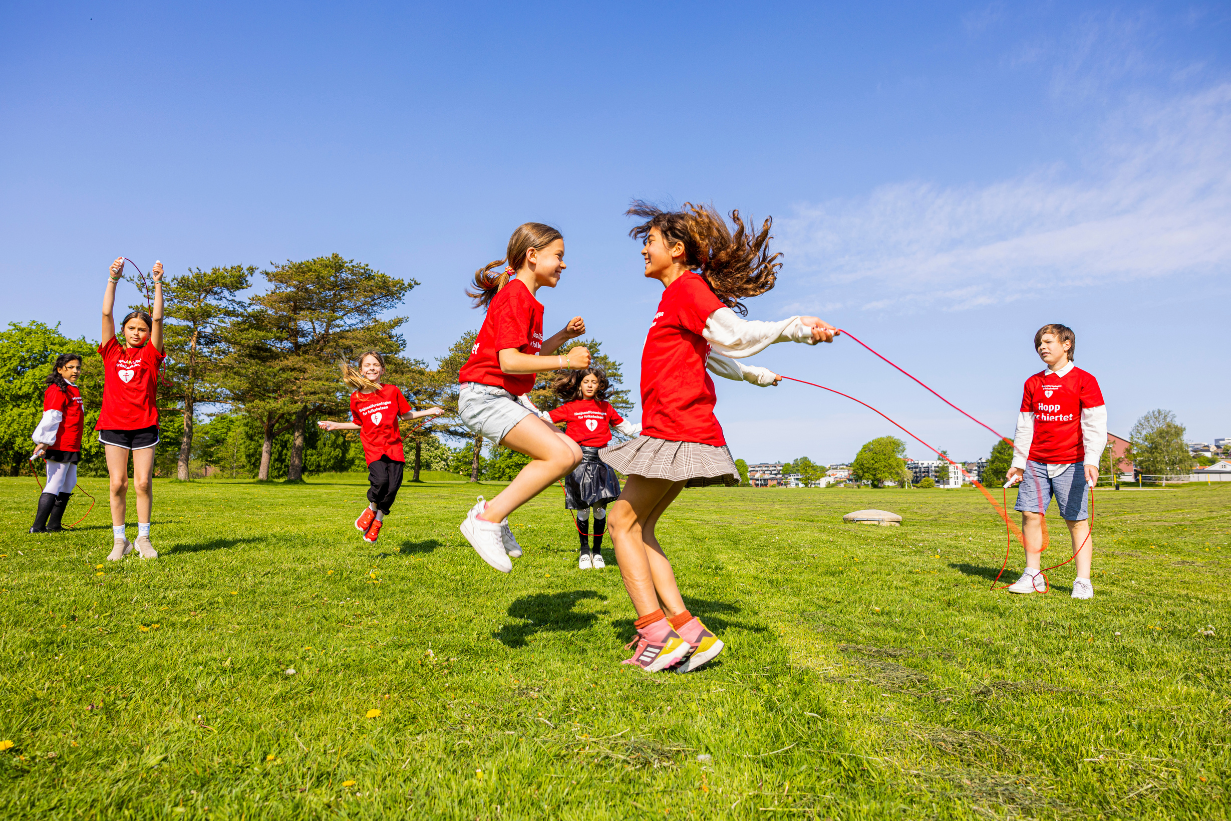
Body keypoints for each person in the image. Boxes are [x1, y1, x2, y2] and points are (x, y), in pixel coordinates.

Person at [600, 202, 838, 672]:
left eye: (650, 241)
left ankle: (656, 635)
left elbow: (735, 333)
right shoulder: (677, 297)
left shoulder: (687, 288)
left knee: (619, 522)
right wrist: (757, 376)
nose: (644, 250)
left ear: (676, 249)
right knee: (640, 528)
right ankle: (690, 632)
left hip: (675, 427)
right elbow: (711, 353)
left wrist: (794, 328)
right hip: (679, 427)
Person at [456, 222, 592, 573]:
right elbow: (510, 362)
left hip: (504, 396)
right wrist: (566, 361)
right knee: (558, 456)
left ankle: (494, 515)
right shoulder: (516, 295)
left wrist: (562, 336)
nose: (564, 264)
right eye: (558, 256)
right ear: (533, 255)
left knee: (573, 453)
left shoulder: (527, 299)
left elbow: (527, 353)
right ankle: (487, 519)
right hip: (484, 396)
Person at [1004, 324, 1106, 599]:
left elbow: (1095, 424)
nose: (1042, 347)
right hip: (1036, 462)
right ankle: (1032, 574)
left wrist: (1092, 460)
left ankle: (1083, 581)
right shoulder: (1032, 383)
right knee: (1030, 515)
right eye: (1039, 343)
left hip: (1072, 462)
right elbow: (1024, 425)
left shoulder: (1085, 380)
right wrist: (1019, 462)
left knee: (1076, 520)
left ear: (1067, 344)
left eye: (1048, 342)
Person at [317, 352, 444, 543]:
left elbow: (405, 415)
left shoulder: (392, 391)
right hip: (373, 448)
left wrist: (430, 411)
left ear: (382, 370)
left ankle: (378, 521)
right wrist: (335, 425)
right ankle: (371, 509)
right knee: (381, 481)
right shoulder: (356, 398)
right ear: (361, 370)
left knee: (393, 487)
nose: (372, 368)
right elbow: (359, 423)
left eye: (376, 365)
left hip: (394, 447)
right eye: (367, 365)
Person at [97, 257, 165, 561]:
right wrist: (113, 278)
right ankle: (120, 541)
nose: (137, 332)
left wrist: (158, 283)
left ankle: (143, 539)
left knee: (142, 483)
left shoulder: (151, 354)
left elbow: (158, 319)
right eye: (131, 328)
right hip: (113, 424)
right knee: (117, 484)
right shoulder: (111, 351)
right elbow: (106, 312)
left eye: (142, 329)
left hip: (144, 425)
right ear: (123, 330)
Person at [542, 367, 640, 569]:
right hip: (580, 461)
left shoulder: (606, 407)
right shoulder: (570, 407)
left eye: (594, 382)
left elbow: (628, 429)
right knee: (583, 509)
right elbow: (544, 420)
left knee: (599, 509)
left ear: (599, 385)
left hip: (602, 460)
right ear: (579, 385)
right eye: (586, 381)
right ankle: (585, 551)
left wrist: (653, 424)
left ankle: (597, 552)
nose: (589, 385)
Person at [29, 354, 86, 533]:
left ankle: (54, 525)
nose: (75, 371)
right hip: (59, 444)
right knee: (55, 482)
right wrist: (44, 442)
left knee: (69, 483)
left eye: (78, 367)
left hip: (72, 444)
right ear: (60, 369)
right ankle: (37, 527)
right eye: (70, 367)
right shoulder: (57, 390)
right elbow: (51, 416)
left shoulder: (72, 389)